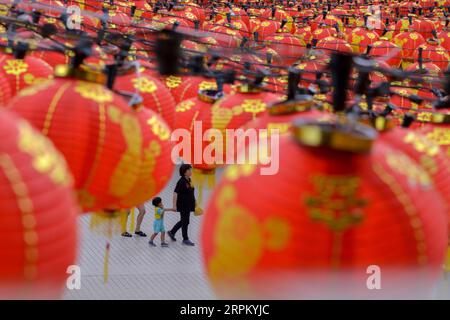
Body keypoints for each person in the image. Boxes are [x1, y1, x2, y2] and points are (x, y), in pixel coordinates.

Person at [168, 164, 196, 246]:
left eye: (191, 170)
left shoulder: (189, 180)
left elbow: (191, 192)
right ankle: (185, 239)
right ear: (184, 172)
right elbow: (175, 193)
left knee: (184, 221)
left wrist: (195, 202)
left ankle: (172, 232)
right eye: (189, 170)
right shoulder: (181, 181)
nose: (191, 171)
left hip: (188, 204)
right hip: (183, 205)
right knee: (185, 221)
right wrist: (174, 205)